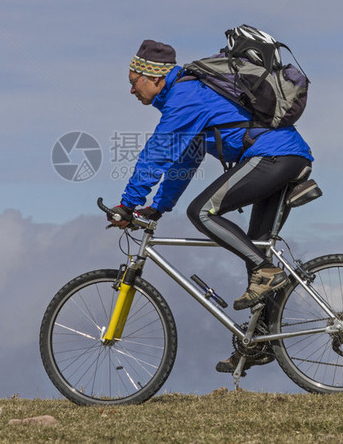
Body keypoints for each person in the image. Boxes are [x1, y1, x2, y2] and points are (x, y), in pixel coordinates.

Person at [109, 38, 313, 374]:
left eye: (134, 82)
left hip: (274, 156)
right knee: (255, 250)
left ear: (155, 78)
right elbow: (183, 163)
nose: (131, 91)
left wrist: (128, 204)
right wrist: (156, 208)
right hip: (283, 156)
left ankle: (266, 275)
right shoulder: (188, 97)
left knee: (202, 212)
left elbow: (157, 152)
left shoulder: (185, 97)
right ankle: (261, 342)